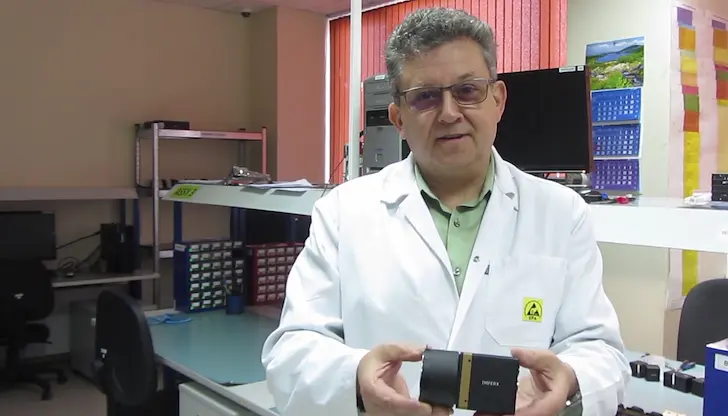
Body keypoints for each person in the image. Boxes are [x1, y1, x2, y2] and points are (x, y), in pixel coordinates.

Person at [261, 7, 630, 416]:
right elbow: (291, 352)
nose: (450, 113)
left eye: (467, 90)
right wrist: (358, 380)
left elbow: (600, 350)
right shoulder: (342, 213)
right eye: (425, 97)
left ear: (498, 100)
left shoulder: (561, 214)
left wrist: (571, 380)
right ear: (399, 118)